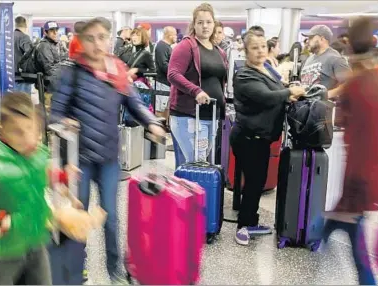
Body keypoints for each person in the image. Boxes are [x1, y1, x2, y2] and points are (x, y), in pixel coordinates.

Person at [50, 17, 165, 284]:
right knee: (77, 220)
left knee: (111, 219)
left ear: (110, 38)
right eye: (90, 38)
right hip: (77, 161)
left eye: (102, 37)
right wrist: (63, 122)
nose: (97, 43)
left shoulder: (117, 69)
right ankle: (78, 271)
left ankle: (115, 271)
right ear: (81, 41)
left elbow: (134, 102)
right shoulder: (71, 71)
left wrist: (152, 122)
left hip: (109, 158)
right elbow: (54, 113)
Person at [0, 92, 103, 284]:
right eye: (17, 132)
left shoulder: (34, 153)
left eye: (31, 129)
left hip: (35, 242)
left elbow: (39, 173)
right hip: (1, 254)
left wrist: (62, 175)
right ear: (2, 129)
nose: (28, 138)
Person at [322, 17, 378, 285]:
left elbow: (363, 138)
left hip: (359, 174)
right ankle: (325, 232)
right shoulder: (374, 80)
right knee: (342, 221)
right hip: (367, 170)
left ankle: (367, 280)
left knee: (352, 230)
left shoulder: (361, 83)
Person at [231, 30, 305, 245]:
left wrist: (289, 90)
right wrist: (290, 92)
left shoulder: (267, 68)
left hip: (261, 138)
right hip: (248, 138)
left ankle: (251, 221)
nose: (260, 50)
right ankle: (243, 227)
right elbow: (266, 97)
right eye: (255, 47)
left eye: (263, 46)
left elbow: (279, 88)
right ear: (246, 51)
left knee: (258, 181)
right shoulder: (245, 75)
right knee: (254, 183)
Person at [167, 2, 228, 165]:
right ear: (194, 25)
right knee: (196, 163)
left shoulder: (219, 51)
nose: (205, 26)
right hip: (189, 115)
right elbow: (173, 74)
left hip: (212, 115)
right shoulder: (186, 46)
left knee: (200, 163)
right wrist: (196, 91)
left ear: (214, 23)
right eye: (200, 22)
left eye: (208, 22)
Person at [300, 25, 351, 99]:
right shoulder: (309, 59)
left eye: (311, 38)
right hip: (307, 106)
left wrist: (327, 94)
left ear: (321, 39)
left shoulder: (334, 58)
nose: (307, 41)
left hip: (324, 107)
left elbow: (350, 84)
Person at [13, 16, 34, 94]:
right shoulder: (24, 37)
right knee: (24, 102)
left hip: (10, 75)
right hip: (21, 76)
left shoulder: (8, 37)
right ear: (26, 25)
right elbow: (31, 53)